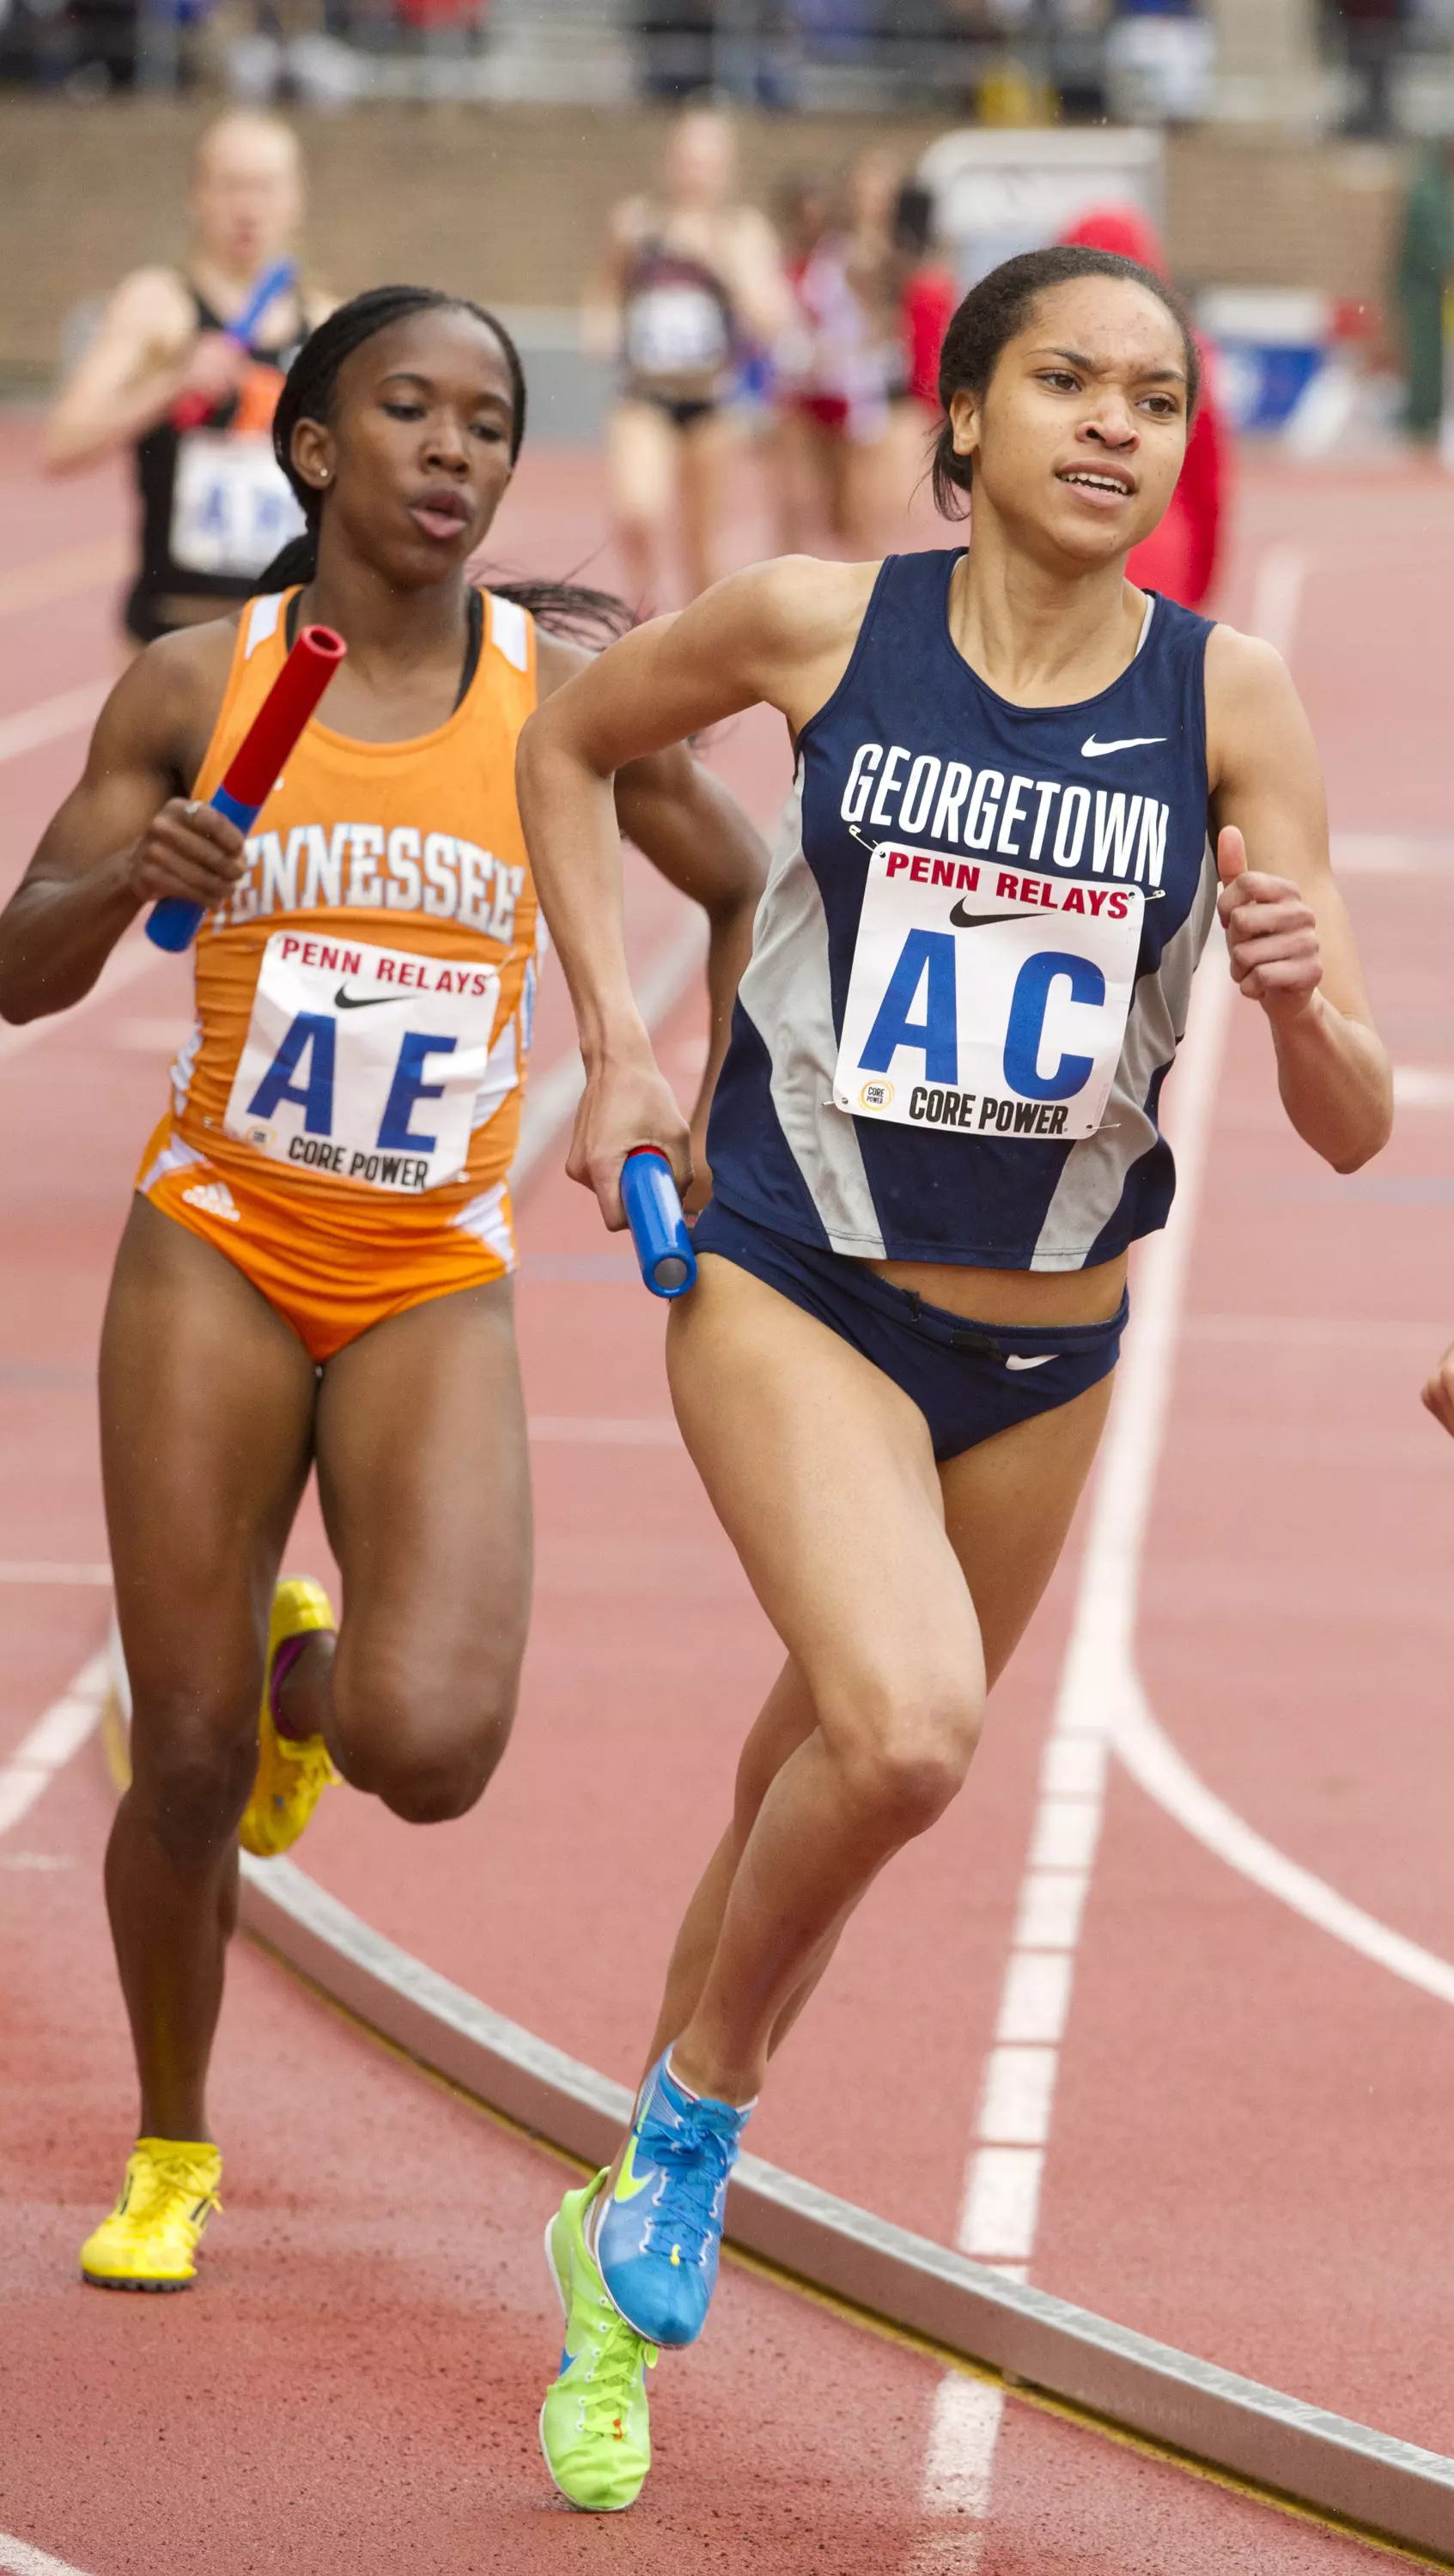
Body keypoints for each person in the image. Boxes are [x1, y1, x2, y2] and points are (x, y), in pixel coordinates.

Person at [517, 243, 1392, 2511]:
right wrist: (613, 1052)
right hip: (794, 1280)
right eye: (1067, 385)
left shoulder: (1233, 705)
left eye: (1155, 397)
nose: (1115, 425)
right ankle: (697, 2128)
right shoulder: (819, 624)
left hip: (1053, 1351)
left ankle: (605, 2272)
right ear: (967, 416)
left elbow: (1351, 1119)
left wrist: (1302, 1001)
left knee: (802, 1783)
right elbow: (568, 736)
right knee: (903, 1732)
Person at [0, 287, 766, 2297]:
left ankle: (300, 1691)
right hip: (221, 1248)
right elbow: (22, 961)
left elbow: (746, 881)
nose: (452, 449)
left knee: (430, 1742)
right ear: (317, 450)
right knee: (170, 1758)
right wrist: (117, 871)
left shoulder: (558, 699)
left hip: (428, 1264)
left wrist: (687, 1088)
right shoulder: (205, 681)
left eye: (487, 421)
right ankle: (173, 2147)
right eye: (407, 411)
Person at [44, 112, 332, 651]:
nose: (248, 207)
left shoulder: (326, 325)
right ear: (198, 195)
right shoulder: (156, 305)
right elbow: (61, 444)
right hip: (171, 634)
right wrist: (170, 386)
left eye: (265, 187)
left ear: (296, 200)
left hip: (286, 634)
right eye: (230, 185)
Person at [583, 104, 790, 607]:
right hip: (645, 393)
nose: (695, 173)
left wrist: (730, 267)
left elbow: (773, 319)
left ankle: (698, 645)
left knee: (702, 544)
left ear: (726, 171)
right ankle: (647, 605)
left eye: (707, 163)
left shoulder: (743, 232)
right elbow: (605, 287)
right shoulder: (637, 224)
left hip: (714, 403)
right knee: (637, 510)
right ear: (668, 163)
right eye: (687, 159)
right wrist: (602, 323)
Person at [1059, 204, 1227, 610]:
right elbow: (1206, 478)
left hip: (1056, 548)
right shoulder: (1185, 353)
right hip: (1154, 547)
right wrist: (1202, 574)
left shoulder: (1037, 352)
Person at [772, 148, 905, 557]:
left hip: (862, 391)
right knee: (799, 507)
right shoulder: (828, 252)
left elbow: (890, 322)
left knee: (857, 514)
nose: (871, 200)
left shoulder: (895, 256)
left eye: (881, 192)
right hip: (812, 385)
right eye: (864, 190)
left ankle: (876, 601)